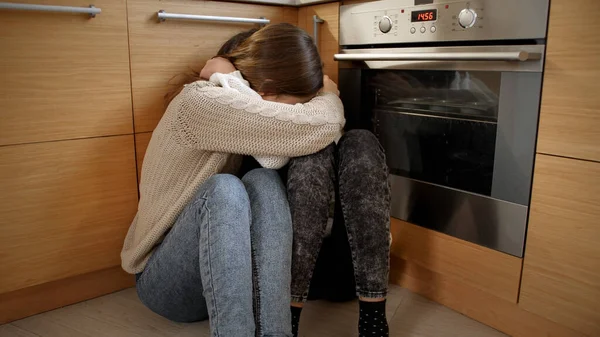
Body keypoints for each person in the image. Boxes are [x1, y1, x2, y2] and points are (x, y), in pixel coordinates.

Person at [120, 23, 344, 337]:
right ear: (264, 90)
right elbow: (311, 128)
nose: (295, 112)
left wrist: (231, 79)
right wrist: (328, 95)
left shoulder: (230, 94)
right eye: (295, 105)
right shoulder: (200, 103)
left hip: (226, 275)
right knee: (223, 189)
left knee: (264, 180)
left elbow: (272, 158)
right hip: (165, 283)